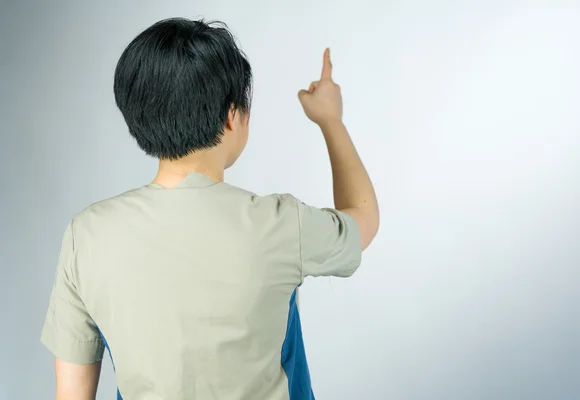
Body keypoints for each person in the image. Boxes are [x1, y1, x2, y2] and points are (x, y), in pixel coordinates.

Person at [41, 17, 379, 400]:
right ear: (233, 116)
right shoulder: (281, 224)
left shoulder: (85, 235)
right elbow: (363, 217)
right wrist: (330, 120)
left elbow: (71, 395)